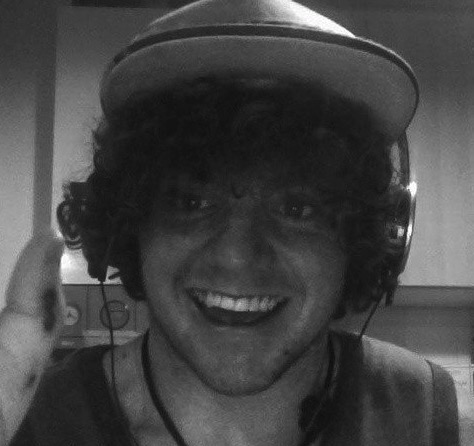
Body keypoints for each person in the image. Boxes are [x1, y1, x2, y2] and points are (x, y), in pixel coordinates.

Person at [1, 0, 473, 445]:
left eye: (298, 209)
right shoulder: (33, 421)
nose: (236, 257)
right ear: (129, 227)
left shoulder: (430, 419)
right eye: (191, 201)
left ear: (365, 240)